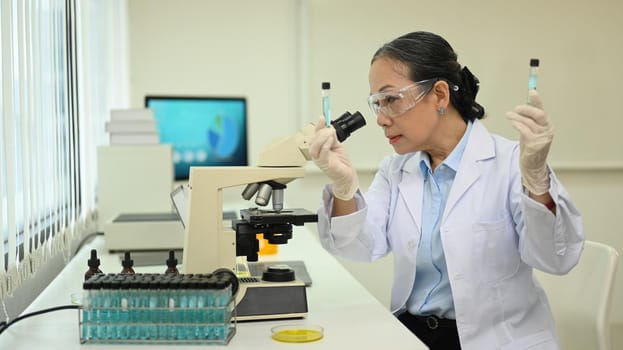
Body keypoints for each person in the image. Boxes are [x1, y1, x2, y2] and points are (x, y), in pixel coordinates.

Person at [309, 31, 584, 350]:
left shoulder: (511, 163)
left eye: (391, 100)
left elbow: (557, 257)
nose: (381, 119)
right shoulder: (396, 170)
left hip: (496, 339)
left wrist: (537, 181)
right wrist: (344, 187)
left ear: (439, 95)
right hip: (411, 334)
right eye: (376, 104)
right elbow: (357, 246)